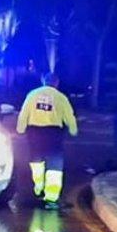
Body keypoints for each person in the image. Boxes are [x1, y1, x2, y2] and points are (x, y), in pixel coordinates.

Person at [17, 72, 78, 210]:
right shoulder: (61, 98)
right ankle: (51, 199)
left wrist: (21, 130)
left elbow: (23, 114)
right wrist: (73, 130)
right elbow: (70, 116)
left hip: (34, 134)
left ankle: (38, 189)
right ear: (56, 83)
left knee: (36, 163)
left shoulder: (32, 95)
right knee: (54, 167)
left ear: (43, 81)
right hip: (53, 134)